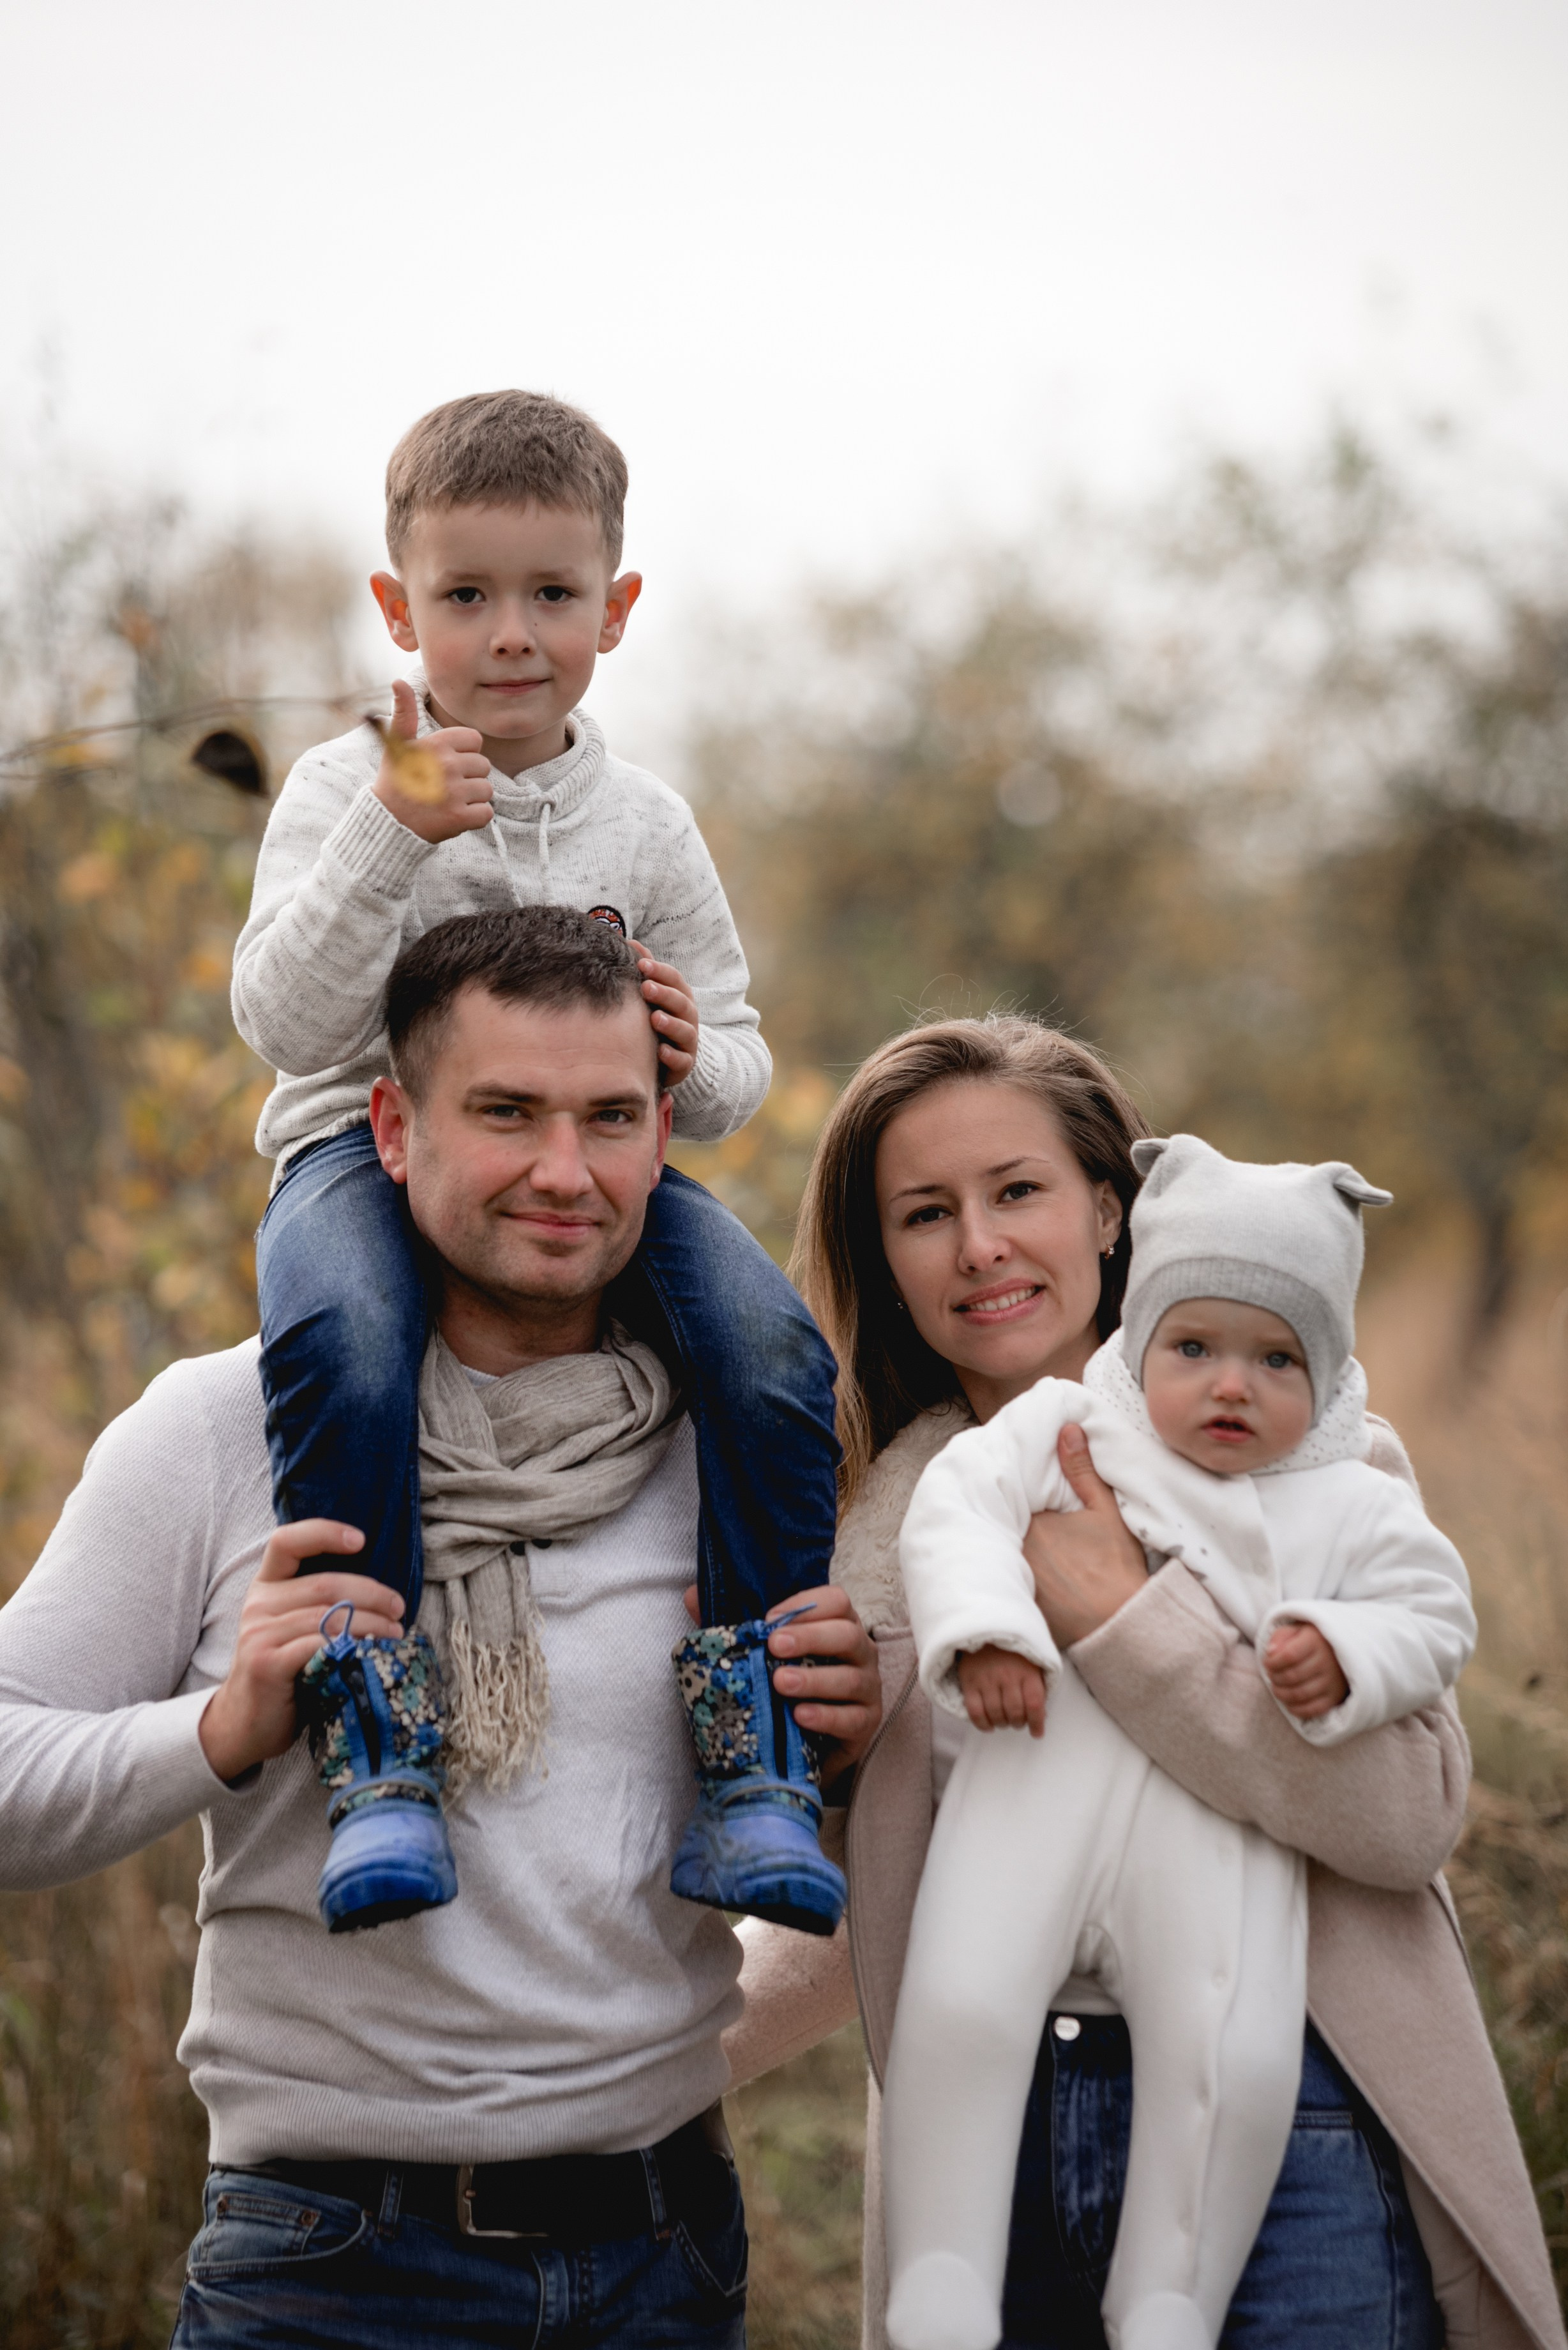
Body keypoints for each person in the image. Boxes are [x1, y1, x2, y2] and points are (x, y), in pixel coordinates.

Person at [0, 907, 882, 2347]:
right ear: (393, 1131)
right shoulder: (223, 1433)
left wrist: (849, 1753)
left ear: (664, 1134)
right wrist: (220, 1730)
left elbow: (845, 1863)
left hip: (665, 2260)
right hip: (329, 2269)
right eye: (507, 1112)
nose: (565, 1171)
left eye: (610, 1118)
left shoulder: (745, 1454)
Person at [724, 1015, 1564, 2350]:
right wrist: (836, 1782)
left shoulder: (1314, 1465)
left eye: (1018, 1191)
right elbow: (859, 1922)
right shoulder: (876, 1525)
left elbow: (1405, 1820)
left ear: (1110, 1210)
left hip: (1288, 2107)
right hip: (992, 2141)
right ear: (884, 1257)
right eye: (926, 1213)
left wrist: (1119, 1612)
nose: (980, 1245)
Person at [230, 390, 843, 1936]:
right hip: (356, 1153)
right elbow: (284, 1023)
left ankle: (755, 1749)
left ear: (615, 610)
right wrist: (393, 833)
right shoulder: (343, 789)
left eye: (553, 594)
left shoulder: (644, 825)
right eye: (467, 596)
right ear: (399, 610)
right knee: (345, 1338)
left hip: (590, 1179)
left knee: (773, 1350)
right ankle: (379, 1736)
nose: (511, 634)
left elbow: (737, 1069)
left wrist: (691, 1051)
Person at [884, 1135, 1476, 2350]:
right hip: (1034, 1790)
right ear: (1144, 1339)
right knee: (962, 1998)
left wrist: (1347, 1653)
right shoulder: (1073, 1428)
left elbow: (1434, 1613)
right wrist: (987, 1627)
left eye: (1278, 1359)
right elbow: (957, 1506)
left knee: (1229, 2057)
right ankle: (940, 2274)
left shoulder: (1352, 1491)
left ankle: (1171, 2296)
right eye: (1194, 1349)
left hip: (1214, 1851)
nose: (1230, 1388)